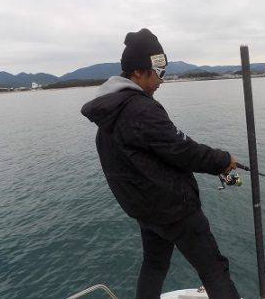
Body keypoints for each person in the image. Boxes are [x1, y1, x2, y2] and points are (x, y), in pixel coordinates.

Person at [81, 28, 240, 299]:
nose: (161, 80)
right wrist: (223, 160)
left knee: (154, 265)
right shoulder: (140, 109)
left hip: (146, 212)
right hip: (175, 211)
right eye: (159, 73)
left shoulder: (109, 112)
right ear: (139, 72)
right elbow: (183, 150)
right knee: (214, 270)